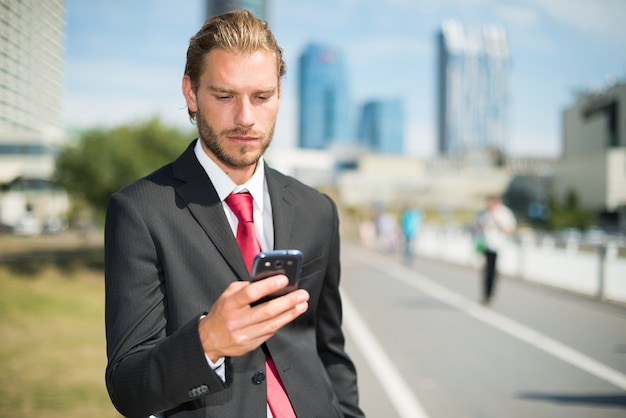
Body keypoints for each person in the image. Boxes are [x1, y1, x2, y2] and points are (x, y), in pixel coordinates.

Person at [104, 10, 364, 418]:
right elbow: (128, 385)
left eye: (261, 97)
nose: (245, 118)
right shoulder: (139, 211)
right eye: (224, 96)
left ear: (279, 95)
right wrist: (207, 340)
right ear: (191, 94)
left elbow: (329, 349)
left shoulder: (318, 210)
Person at [472, 195, 516, 305]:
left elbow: (510, 230)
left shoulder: (505, 213)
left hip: (499, 246)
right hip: (485, 245)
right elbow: (476, 228)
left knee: (493, 272)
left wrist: (497, 221)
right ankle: (486, 295)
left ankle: (490, 295)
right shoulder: (484, 214)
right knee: (486, 271)